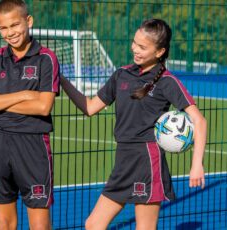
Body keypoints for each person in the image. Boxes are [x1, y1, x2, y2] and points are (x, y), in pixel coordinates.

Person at [60, 18, 207, 230]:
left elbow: (199, 121)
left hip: (147, 160)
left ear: (159, 52)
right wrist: (63, 81)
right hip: (123, 159)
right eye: (134, 43)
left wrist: (196, 164)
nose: (135, 49)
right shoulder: (121, 74)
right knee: (93, 224)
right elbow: (90, 107)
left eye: (142, 47)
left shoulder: (167, 81)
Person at [0, 0, 59, 229]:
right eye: (3, 28)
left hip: (32, 145)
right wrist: (24, 94)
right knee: (4, 224)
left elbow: (43, 107)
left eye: (15, 25)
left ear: (28, 21)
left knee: (40, 225)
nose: (10, 32)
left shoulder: (46, 58)